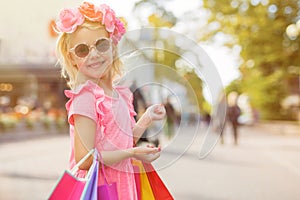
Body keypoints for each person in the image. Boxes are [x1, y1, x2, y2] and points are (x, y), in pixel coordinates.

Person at [54, 2, 166, 199]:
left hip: (121, 182)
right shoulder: (85, 98)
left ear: (113, 47)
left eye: (101, 44)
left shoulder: (121, 95)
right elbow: (85, 159)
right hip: (98, 187)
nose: (94, 54)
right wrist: (132, 154)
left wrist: (147, 118)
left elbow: (123, 141)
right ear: (72, 59)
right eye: (82, 50)